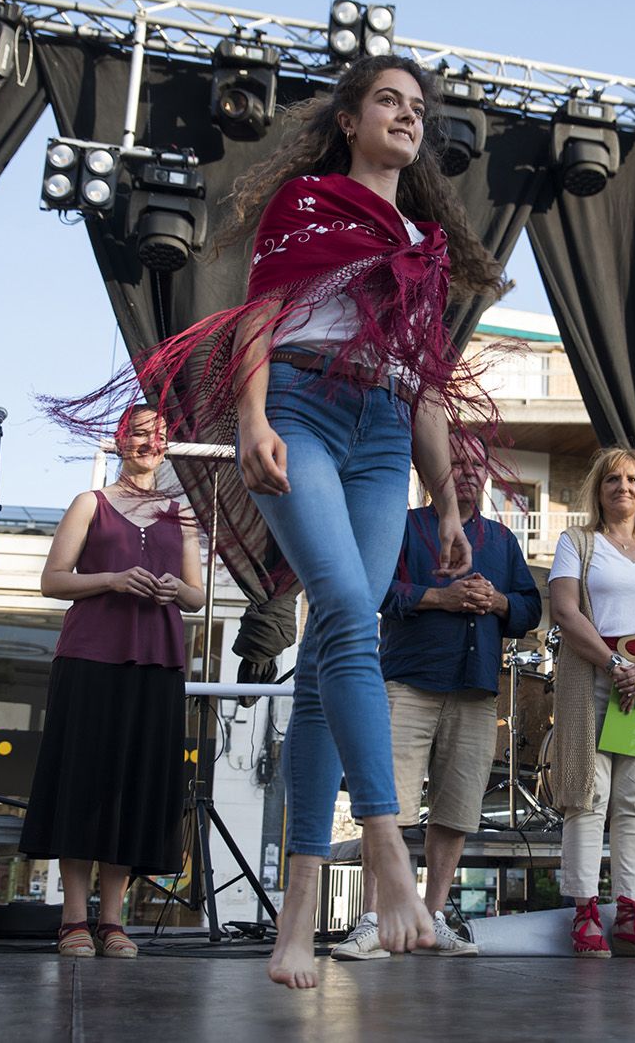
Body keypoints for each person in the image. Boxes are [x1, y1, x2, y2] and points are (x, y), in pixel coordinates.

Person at [95, 56, 508, 988]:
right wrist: (250, 419)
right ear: (352, 120)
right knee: (351, 616)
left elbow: (429, 388)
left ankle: (293, 925)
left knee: (328, 656)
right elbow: (260, 316)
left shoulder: (427, 244)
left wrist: (443, 502)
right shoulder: (308, 202)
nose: (406, 117)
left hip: (382, 435)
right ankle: (390, 857)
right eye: (388, 103)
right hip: (303, 410)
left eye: (416, 107)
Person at [333, 433, 541, 960]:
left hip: (475, 691)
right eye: (457, 464)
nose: (469, 472)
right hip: (407, 683)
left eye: (477, 465)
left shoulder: (502, 541)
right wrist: (439, 598)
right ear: (432, 474)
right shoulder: (403, 527)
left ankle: (432, 918)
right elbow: (375, 589)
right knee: (389, 808)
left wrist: (496, 602)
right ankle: (376, 921)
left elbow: (530, 608)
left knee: (456, 811)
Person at [21, 405, 205, 959]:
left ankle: (112, 920)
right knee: (85, 783)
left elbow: (197, 597)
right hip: (91, 656)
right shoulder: (90, 503)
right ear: (121, 441)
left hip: (158, 660)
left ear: (167, 444)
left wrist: (175, 587)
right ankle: (73, 918)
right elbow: (52, 580)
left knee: (133, 786)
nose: (148, 442)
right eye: (138, 433)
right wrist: (113, 580)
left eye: (157, 435)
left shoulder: (185, 515)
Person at [548, 448, 635, 957]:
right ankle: (584, 913)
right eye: (612, 479)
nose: (623, 487)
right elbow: (564, 610)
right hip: (592, 678)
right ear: (599, 488)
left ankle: (630, 914)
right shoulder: (576, 542)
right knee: (586, 795)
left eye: (633, 479)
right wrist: (614, 666)